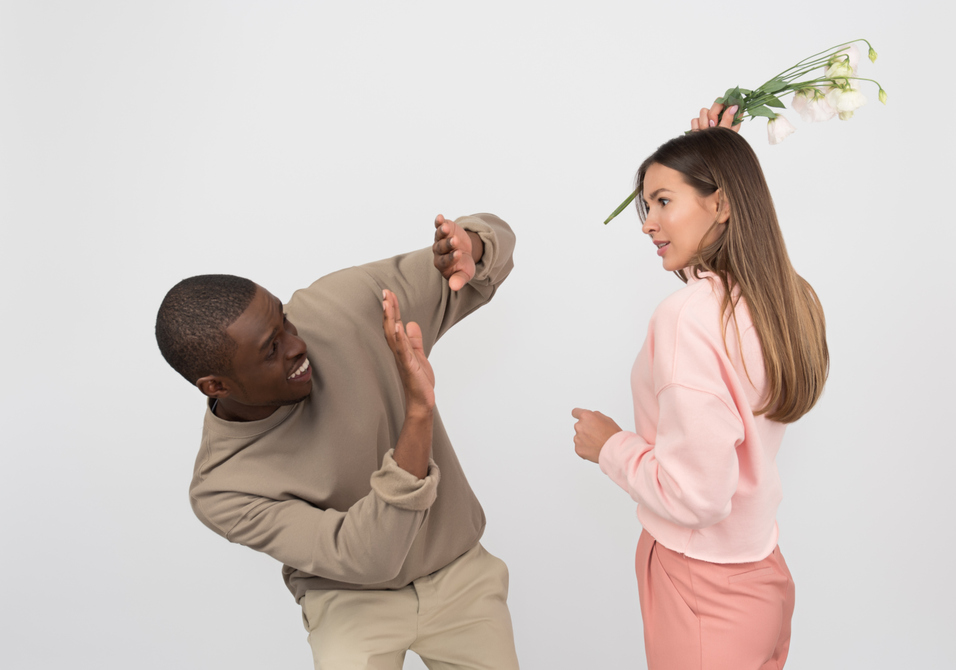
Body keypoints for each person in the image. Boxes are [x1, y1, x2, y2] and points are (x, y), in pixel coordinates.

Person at [156, 213, 519, 670]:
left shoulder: (343, 304)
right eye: (271, 349)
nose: (297, 345)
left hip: (459, 575)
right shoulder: (222, 487)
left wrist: (473, 246)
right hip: (350, 603)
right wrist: (418, 412)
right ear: (216, 386)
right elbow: (369, 557)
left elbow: (484, 263)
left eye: (285, 321)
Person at [571, 103, 828, 670]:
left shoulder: (686, 318)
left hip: (701, 588)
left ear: (721, 203)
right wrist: (720, 161)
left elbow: (698, 497)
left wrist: (609, 445)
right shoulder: (788, 299)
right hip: (763, 581)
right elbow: (720, 288)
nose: (646, 222)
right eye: (647, 204)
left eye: (663, 202)